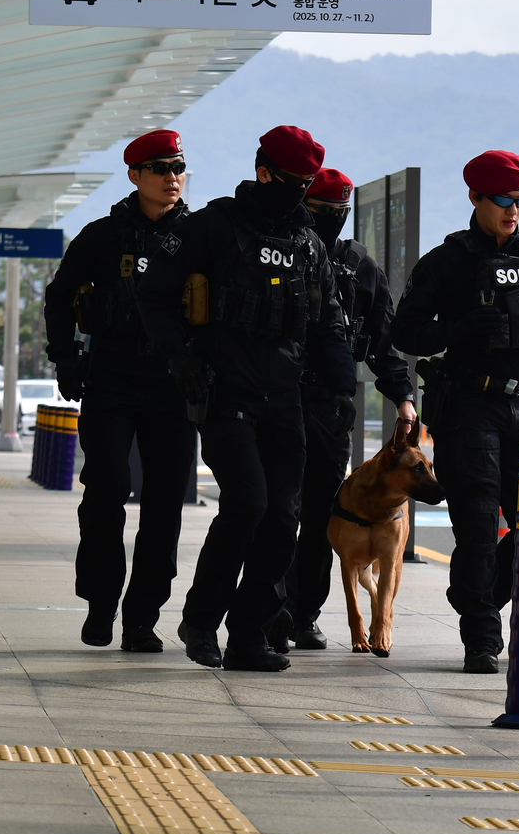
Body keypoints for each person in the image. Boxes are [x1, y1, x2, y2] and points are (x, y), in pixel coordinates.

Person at [137, 125, 357, 672]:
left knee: (284, 517)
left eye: (308, 184)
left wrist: (340, 384)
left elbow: (328, 317)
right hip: (224, 390)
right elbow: (156, 294)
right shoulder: (214, 226)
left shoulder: (307, 243)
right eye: (292, 181)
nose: (301, 193)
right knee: (248, 504)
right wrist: (181, 359)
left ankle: (249, 633)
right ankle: (201, 619)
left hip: (285, 396)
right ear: (264, 173)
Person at [390, 150, 519, 674]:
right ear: (476, 198)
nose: (513, 209)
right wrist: (459, 330)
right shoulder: (445, 261)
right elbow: (404, 331)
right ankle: (481, 639)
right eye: (503, 200)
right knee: (477, 526)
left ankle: (473, 595)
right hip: (468, 407)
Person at [43, 128, 196, 653]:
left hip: (174, 389)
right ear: (134, 176)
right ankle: (101, 602)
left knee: (165, 505)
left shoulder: (200, 237)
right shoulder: (100, 237)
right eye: (160, 168)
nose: (172, 177)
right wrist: (66, 357)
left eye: (178, 167)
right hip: (111, 381)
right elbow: (59, 299)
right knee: (105, 491)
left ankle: (142, 617)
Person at [267, 168, 416, 653]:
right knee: (275, 508)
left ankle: (304, 614)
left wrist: (404, 398)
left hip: (330, 406)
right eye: (320, 212)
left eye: (338, 215)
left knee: (319, 514)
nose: (328, 222)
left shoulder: (360, 267)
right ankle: (271, 609)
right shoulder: (281, 251)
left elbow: (384, 343)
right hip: (279, 398)